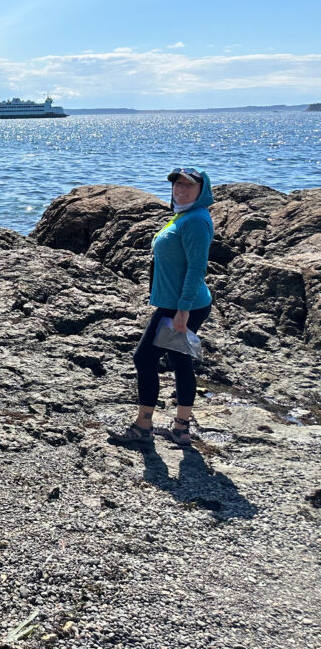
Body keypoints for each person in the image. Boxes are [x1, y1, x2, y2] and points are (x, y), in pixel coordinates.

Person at [110, 167, 215, 448]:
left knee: (143, 359)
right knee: (179, 360)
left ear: (201, 191)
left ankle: (143, 426)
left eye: (188, 186)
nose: (180, 189)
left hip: (180, 306)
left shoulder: (194, 221)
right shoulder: (183, 215)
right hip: (179, 303)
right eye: (177, 184)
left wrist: (183, 310)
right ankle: (181, 429)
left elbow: (197, 268)